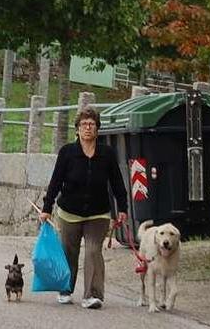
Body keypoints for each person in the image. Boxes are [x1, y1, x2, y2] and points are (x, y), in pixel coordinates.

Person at [39, 107, 128, 309]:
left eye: (92, 124)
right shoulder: (67, 152)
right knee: (69, 252)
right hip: (69, 212)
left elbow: (117, 183)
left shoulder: (107, 153)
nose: (88, 128)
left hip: (98, 213)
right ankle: (65, 289)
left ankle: (92, 295)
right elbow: (55, 182)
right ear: (77, 129)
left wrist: (122, 208)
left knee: (93, 251)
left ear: (97, 128)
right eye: (84, 124)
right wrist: (46, 207)